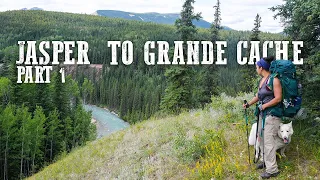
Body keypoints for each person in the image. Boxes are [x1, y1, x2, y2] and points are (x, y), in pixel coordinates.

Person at [243, 56, 283, 179]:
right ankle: (265, 161)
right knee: (261, 139)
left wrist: (264, 106)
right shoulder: (263, 80)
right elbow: (258, 96)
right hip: (263, 114)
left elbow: (278, 98)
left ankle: (272, 170)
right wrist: (248, 104)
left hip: (272, 116)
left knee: (268, 142)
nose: (256, 69)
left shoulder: (274, 80)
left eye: (256, 67)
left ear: (261, 68)